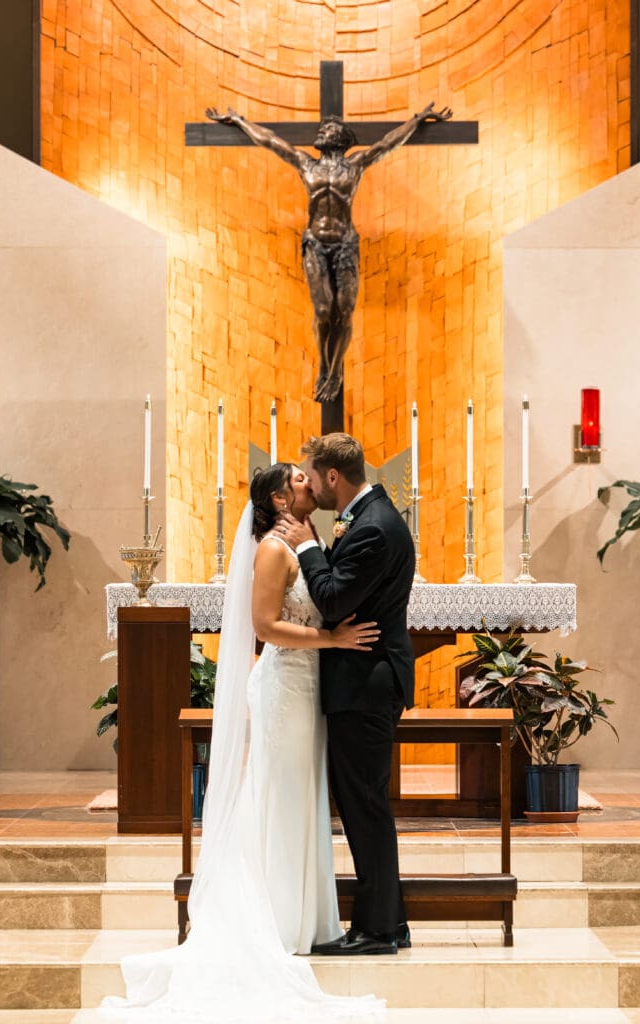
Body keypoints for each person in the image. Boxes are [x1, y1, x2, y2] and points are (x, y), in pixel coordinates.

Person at [100, 463, 383, 1021]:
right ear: (280, 498)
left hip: (307, 687)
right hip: (284, 684)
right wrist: (332, 639)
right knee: (278, 794)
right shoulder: (274, 550)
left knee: (301, 795)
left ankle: (302, 918)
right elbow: (264, 628)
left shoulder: (304, 539)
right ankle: (277, 918)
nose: (310, 485)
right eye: (301, 480)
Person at [205, 103, 451, 403]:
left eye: (327, 128)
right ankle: (324, 364)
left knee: (344, 311)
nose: (320, 131)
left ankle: (336, 372)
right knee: (323, 311)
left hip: (345, 244)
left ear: (341, 138)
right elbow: (269, 140)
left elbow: (388, 143)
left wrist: (417, 119)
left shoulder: (355, 165)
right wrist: (240, 120)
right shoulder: (305, 164)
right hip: (316, 244)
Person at [275, 434, 415, 955]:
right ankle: (389, 922)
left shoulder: (374, 528)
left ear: (333, 477)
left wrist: (309, 546)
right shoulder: (371, 516)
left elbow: (332, 601)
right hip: (364, 681)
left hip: (366, 684)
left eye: (311, 477)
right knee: (364, 805)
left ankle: (378, 930)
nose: (309, 485)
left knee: (365, 808)